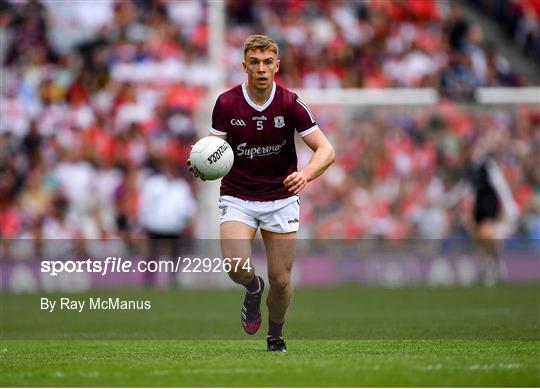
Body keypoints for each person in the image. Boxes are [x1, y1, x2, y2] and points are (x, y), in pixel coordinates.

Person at [188, 35, 335, 351]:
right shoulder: (226, 103)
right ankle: (253, 289)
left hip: (280, 198)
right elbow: (213, 149)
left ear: (277, 65)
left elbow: (326, 150)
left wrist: (306, 174)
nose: (261, 68)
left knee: (281, 281)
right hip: (238, 195)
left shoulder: (290, 103)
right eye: (254, 62)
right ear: (244, 66)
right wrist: (200, 161)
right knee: (236, 268)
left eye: (267, 62)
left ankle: (275, 336)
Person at [443, 142, 518, 286]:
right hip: (479, 206)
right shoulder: (472, 168)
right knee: (480, 239)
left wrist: (509, 205)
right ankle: (490, 267)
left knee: (485, 235)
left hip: (489, 204)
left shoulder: (486, 164)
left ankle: (492, 267)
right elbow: (464, 187)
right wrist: (447, 200)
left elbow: (500, 184)